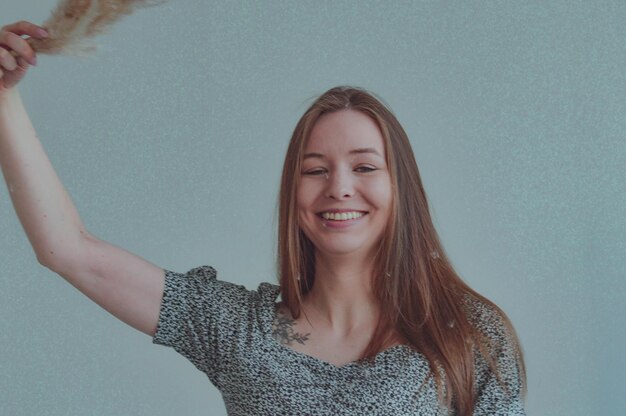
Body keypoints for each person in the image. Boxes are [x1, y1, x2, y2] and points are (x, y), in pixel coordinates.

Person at [1, 21, 526, 415]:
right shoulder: (235, 328)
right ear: (292, 195)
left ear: (401, 189)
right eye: (315, 169)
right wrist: (4, 98)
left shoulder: (467, 334)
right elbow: (67, 249)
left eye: (364, 166)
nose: (339, 187)